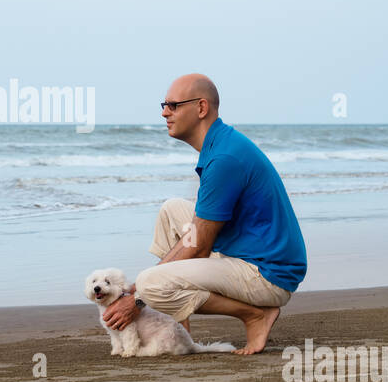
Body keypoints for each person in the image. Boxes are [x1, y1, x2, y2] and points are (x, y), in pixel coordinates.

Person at [101, 74, 307, 354]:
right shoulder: (220, 145)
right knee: (172, 209)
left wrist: (137, 298)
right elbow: (198, 233)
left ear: (201, 108)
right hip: (250, 254)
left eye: (173, 105)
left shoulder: (224, 159)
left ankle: (255, 315)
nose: (164, 112)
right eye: (164, 105)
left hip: (267, 275)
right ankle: (177, 329)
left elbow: (198, 247)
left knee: (150, 284)